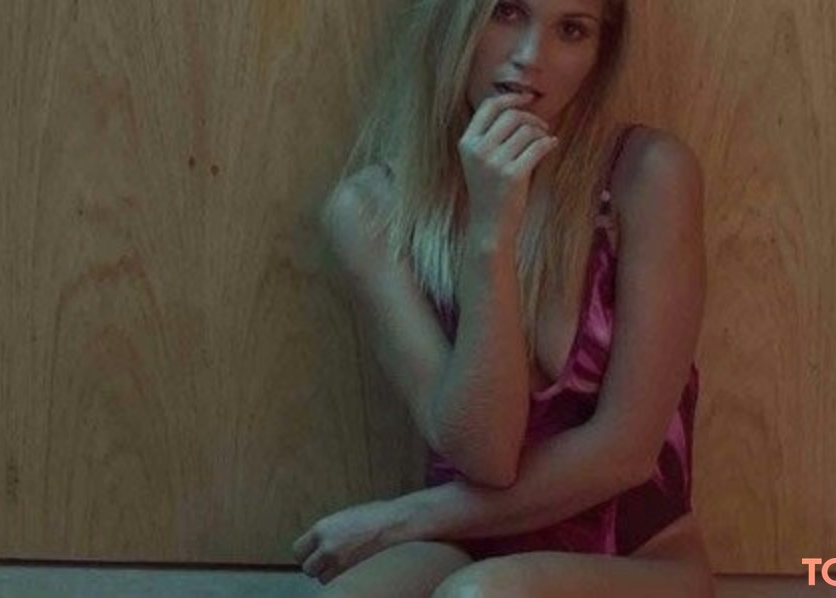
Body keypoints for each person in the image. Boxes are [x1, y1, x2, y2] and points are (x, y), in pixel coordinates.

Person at [295, 0, 711, 595]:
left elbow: (625, 454)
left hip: (635, 557)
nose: (530, 56)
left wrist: (397, 520)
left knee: (485, 594)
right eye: (506, 12)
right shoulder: (370, 212)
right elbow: (485, 455)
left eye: (572, 30)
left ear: (599, 54)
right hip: (462, 546)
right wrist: (491, 234)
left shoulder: (647, 175)